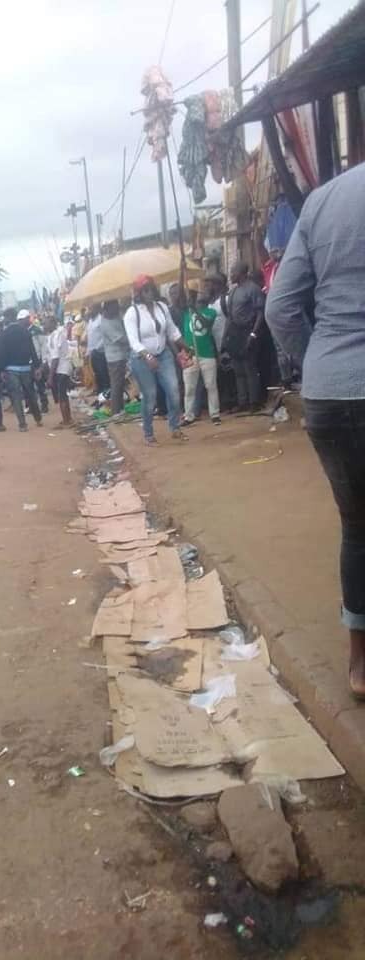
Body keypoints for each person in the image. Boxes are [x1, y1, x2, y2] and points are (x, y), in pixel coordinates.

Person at [265, 162, 365, 698]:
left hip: (330, 393)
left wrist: (318, 362)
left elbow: (280, 308)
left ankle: (360, 665)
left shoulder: (323, 201)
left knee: (357, 528)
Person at [124, 275, 190, 444]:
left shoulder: (161, 307)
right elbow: (133, 341)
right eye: (145, 290)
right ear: (138, 293)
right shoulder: (132, 313)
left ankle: (175, 427)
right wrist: (147, 355)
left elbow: (171, 330)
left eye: (151, 288)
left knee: (174, 390)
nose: (149, 292)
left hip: (163, 354)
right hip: (141, 359)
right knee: (150, 395)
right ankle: (148, 432)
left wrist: (185, 345)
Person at [224, 261, 266, 413]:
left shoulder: (253, 289)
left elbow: (261, 313)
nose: (231, 275)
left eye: (233, 272)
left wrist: (253, 334)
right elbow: (229, 316)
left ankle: (254, 402)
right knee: (238, 370)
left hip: (249, 331)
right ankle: (242, 402)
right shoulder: (234, 291)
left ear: (241, 273)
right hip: (235, 333)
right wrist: (226, 337)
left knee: (250, 368)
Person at [0, 307, 42, 432]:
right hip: (26, 367)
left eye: (5, 317)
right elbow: (32, 349)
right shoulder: (25, 331)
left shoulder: (4, 334)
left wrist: (1, 370)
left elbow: (1, 353)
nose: (4, 320)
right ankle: (38, 418)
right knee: (30, 394)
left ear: (8, 317)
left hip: (11, 369)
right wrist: (37, 366)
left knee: (16, 397)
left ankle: (22, 424)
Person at [181, 285, 221, 426]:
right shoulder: (186, 311)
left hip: (207, 354)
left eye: (204, 293)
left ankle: (215, 414)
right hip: (190, 354)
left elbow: (206, 324)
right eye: (200, 293)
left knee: (211, 385)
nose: (201, 294)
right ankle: (188, 416)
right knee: (189, 387)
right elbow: (181, 293)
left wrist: (195, 310)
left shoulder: (211, 312)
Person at [101, 300, 129, 415]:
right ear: (108, 309)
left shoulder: (115, 317)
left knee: (120, 383)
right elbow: (120, 339)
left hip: (121, 355)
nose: (117, 309)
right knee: (116, 384)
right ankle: (116, 411)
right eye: (115, 307)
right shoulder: (105, 323)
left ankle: (120, 408)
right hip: (114, 357)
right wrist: (132, 339)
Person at [44, 317, 73, 427]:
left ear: (53, 323)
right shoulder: (51, 336)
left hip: (62, 368)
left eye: (45, 323)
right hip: (59, 368)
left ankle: (67, 421)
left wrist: (50, 377)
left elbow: (55, 358)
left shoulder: (57, 335)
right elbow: (49, 358)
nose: (44, 325)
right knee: (62, 395)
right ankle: (68, 419)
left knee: (62, 396)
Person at [28, 314, 50, 414]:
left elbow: (43, 346)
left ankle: (44, 404)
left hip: (37, 361)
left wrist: (43, 361)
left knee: (40, 384)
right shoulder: (23, 331)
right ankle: (32, 407)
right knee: (29, 386)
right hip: (27, 362)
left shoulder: (36, 330)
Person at [86, 307, 109, 396]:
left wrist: (97, 348)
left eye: (90, 309)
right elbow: (90, 339)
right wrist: (88, 352)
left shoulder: (101, 319)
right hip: (93, 353)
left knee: (104, 375)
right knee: (97, 375)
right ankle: (101, 396)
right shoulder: (90, 322)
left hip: (101, 352)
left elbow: (105, 336)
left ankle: (107, 395)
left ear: (96, 308)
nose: (89, 311)